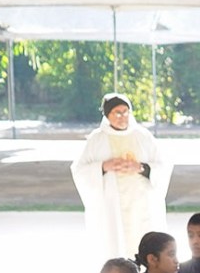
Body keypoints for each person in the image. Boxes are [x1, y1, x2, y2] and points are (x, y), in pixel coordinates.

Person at [70, 94, 169, 260]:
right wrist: (102, 167)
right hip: (112, 207)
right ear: (107, 115)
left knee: (143, 245)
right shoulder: (97, 139)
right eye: (117, 112)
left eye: (125, 112)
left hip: (140, 205)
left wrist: (142, 168)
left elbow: (164, 164)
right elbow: (79, 170)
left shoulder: (142, 136)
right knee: (115, 248)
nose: (123, 117)